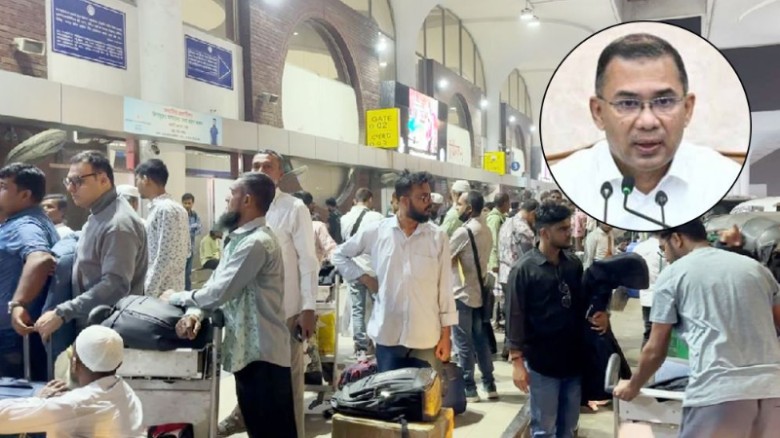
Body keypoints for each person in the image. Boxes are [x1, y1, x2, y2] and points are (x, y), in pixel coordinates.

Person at [551, 33, 740, 231]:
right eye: (627, 103)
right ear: (598, 112)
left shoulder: (721, 177)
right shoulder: (569, 180)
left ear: (687, 109)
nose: (648, 122)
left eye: (664, 102)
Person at [614, 219, 780, 438]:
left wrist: (633, 386)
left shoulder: (673, 275)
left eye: (664, 248)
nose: (666, 256)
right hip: (772, 391)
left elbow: (655, 349)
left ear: (677, 239)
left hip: (718, 392)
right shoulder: (756, 268)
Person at [165, 172, 296, 438]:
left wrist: (174, 297)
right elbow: (215, 285)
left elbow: (218, 293)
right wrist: (195, 313)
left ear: (247, 200)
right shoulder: (239, 239)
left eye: (231, 195)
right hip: (247, 352)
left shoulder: (257, 243)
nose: (227, 201)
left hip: (263, 355)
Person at [333, 170, 456, 373]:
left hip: (425, 339)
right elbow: (339, 255)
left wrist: (446, 335)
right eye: (423, 197)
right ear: (404, 200)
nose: (429, 203)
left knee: (426, 393)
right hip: (387, 337)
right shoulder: (377, 231)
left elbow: (445, 290)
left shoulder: (437, 237)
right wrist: (365, 278)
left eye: (429, 196)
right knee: (389, 392)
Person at [506, 202, 608, 438]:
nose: (569, 233)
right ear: (544, 232)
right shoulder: (524, 270)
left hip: (573, 360)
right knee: (544, 430)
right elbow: (515, 316)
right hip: (542, 364)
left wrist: (602, 314)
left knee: (569, 427)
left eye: (568, 227)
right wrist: (517, 362)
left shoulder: (573, 264)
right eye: (562, 229)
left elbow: (583, 303)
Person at [36, 150, 147, 339]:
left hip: (107, 331)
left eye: (78, 181)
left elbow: (115, 285)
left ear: (103, 180)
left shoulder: (118, 224)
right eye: (68, 181)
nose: (71, 188)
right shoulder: (100, 213)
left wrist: (63, 312)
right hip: (93, 325)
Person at [248, 149, 318, 438]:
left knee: (288, 390)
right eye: (256, 165)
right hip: (252, 316)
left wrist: (308, 308)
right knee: (258, 392)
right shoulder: (244, 207)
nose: (261, 170)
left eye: (268, 166)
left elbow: (308, 260)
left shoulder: (293, 208)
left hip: (285, 315)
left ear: (279, 173)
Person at [0, 325, 144, 437]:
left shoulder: (75, 405)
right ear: (119, 363)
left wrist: (39, 400)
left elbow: (3, 417)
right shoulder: (126, 393)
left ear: (74, 364)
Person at [0, 164, 58, 380]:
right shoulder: (32, 221)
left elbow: (40, 259)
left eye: (3, 187)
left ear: (25, 194)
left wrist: (18, 303)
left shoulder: (26, 225)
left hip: (13, 337)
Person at [449, 190, 497, 402]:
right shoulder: (486, 229)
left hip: (462, 295)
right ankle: (489, 384)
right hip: (479, 294)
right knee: (480, 341)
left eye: (459, 204)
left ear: (469, 208)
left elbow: (444, 257)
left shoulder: (464, 232)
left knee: (463, 344)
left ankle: (469, 387)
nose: (457, 207)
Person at [135, 159, 191, 297]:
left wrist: (149, 292)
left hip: (161, 293)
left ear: (145, 179)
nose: (136, 185)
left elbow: (164, 257)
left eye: (137, 179)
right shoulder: (176, 208)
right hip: (172, 289)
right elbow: (187, 250)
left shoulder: (164, 209)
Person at [340, 188, 385, 355]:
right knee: (379, 306)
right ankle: (381, 341)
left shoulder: (344, 218)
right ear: (370, 200)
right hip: (372, 269)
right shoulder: (377, 217)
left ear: (354, 200)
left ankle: (361, 346)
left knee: (357, 308)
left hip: (353, 268)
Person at [496, 199, 539, 334]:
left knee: (510, 312)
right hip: (519, 276)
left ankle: (509, 340)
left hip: (504, 273)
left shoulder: (507, 222)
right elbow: (529, 256)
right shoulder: (524, 229)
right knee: (520, 315)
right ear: (532, 213)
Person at [630, 233, 664, 346]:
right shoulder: (666, 246)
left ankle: (646, 354)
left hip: (646, 294)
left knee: (649, 331)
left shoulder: (639, 248)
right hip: (664, 294)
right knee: (663, 331)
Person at [293, 191, 337, 264]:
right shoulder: (317, 226)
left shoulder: (285, 229)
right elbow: (331, 250)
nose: (314, 205)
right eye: (311, 203)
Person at [182, 193, 203, 290]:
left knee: (188, 273)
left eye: (189, 203)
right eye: (185, 203)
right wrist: (192, 227)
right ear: (182, 203)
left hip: (191, 248)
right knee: (181, 273)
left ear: (192, 203)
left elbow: (199, 229)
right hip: (181, 249)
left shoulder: (194, 215)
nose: (187, 205)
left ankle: (187, 292)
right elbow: (182, 230)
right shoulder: (180, 214)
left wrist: (190, 228)